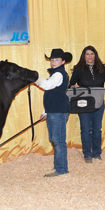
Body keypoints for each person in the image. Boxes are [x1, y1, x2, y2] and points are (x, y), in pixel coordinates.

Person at [69, 45, 105, 163]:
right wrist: (74, 86)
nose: (90, 56)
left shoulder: (101, 68)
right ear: (84, 56)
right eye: (87, 54)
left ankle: (97, 153)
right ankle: (87, 154)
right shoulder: (78, 69)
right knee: (85, 129)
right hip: (83, 103)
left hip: (99, 103)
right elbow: (70, 84)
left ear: (95, 55)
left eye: (92, 54)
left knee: (97, 129)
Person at [34, 48, 72, 177]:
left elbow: (47, 86)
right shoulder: (55, 74)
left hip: (59, 111)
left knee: (58, 140)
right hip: (54, 110)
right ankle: (58, 166)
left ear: (63, 61)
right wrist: (45, 112)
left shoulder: (59, 74)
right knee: (55, 139)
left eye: (56, 59)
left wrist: (35, 77)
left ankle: (61, 169)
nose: (53, 62)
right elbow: (52, 95)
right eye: (52, 60)